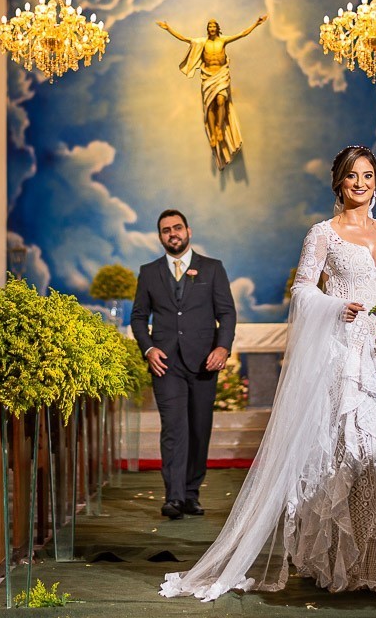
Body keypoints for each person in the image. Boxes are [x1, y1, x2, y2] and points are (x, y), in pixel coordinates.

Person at [160, 145, 376, 600]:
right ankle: (345, 564)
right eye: (352, 176)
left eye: (367, 176)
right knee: (351, 451)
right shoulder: (323, 233)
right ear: (339, 183)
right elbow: (302, 291)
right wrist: (335, 307)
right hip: (346, 356)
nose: (360, 183)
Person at [131, 209, 237, 520]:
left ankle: (191, 493)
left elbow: (226, 313)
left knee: (199, 429)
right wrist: (149, 349)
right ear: (160, 236)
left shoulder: (212, 268)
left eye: (177, 228)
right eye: (166, 230)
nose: (172, 234)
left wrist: (222, 347)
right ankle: (174, 497)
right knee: (174, 428)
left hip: (204, 362)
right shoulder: (149, 272)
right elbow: (139, 317)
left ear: (188, 231)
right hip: (166, 364)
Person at [156, 16, 267, 170]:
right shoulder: (202, 42)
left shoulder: (223, 40)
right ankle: (213, 133)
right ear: (207, 29)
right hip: (208, 77)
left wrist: (256, 24)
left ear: (217, 28)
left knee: (221, 101)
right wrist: (168, 29)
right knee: (210, 106)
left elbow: (242, 34)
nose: (212, 29)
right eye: (210, 27)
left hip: (221, 75)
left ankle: (220, 129)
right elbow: (184, 39)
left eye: (214, 27)